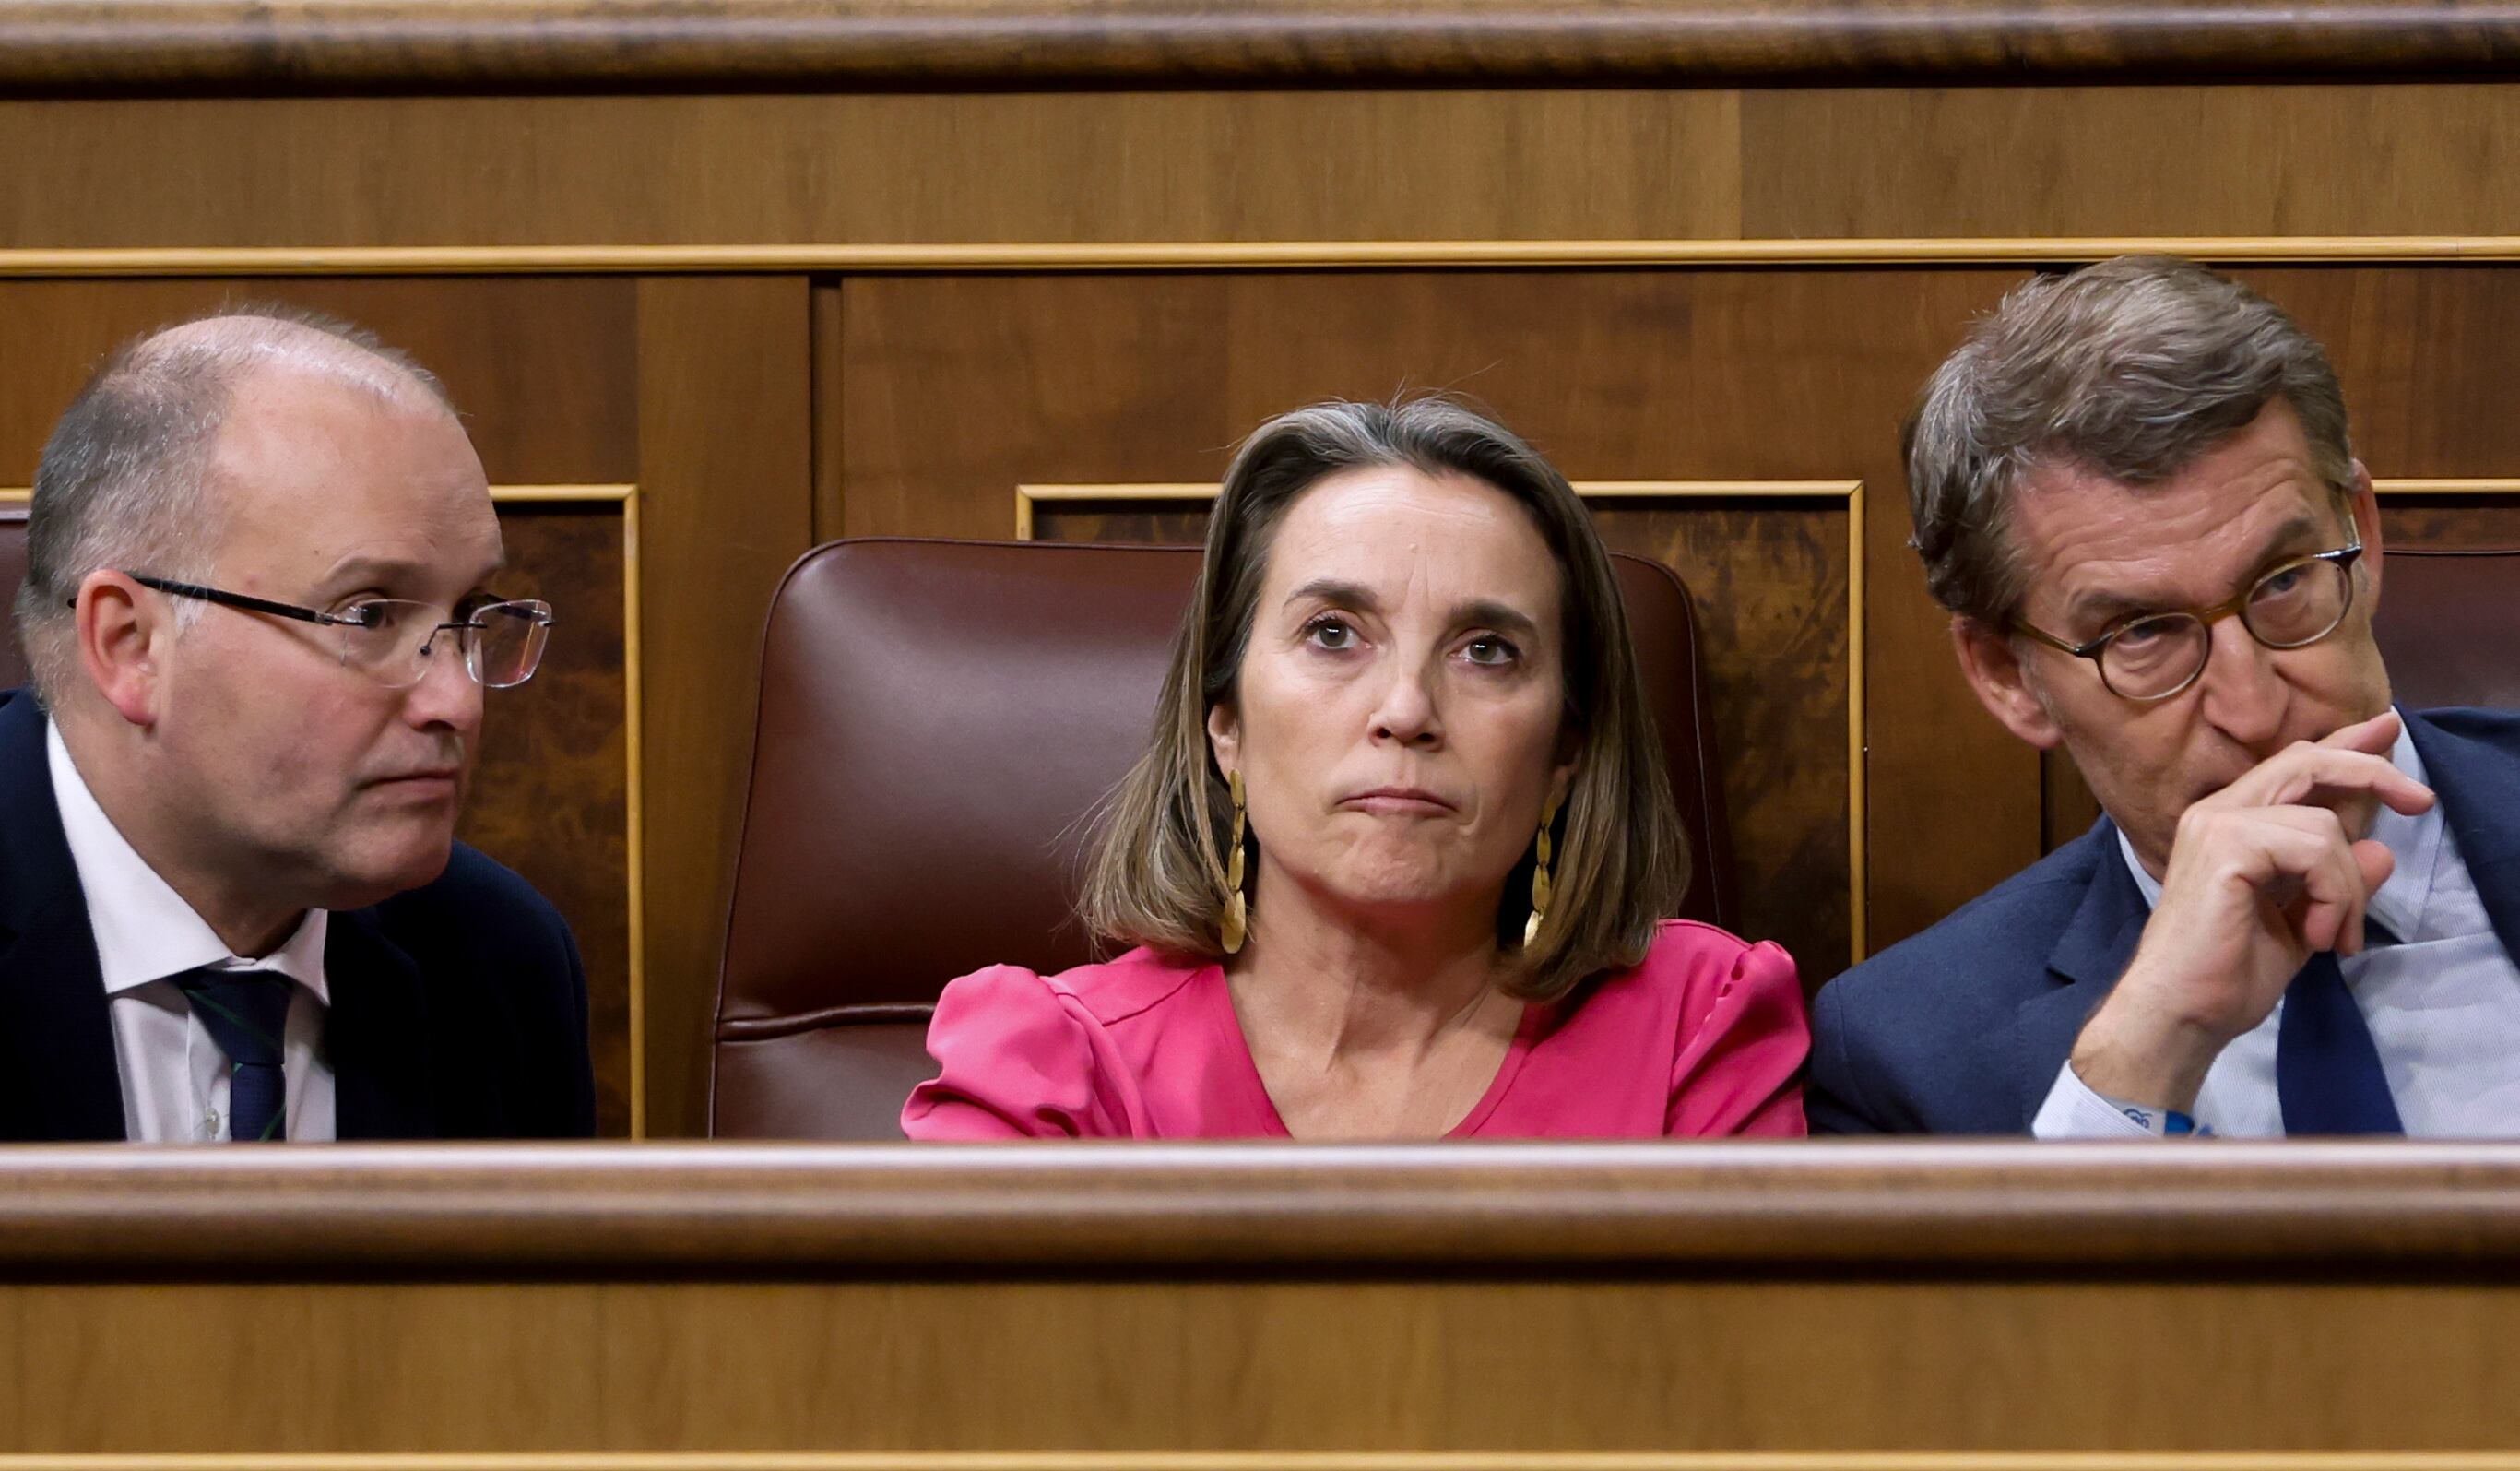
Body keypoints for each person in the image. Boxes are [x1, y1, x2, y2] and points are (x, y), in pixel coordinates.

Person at [904, 397, 1808, 1140]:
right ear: (1225, 725)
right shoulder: (1055, 1070)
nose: (1406, 710)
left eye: (1486, 650)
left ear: (1567, 751)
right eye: (1333, 634)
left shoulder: (1698, 1025)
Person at [1809, 255, 2520, 1137]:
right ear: (2006, 676)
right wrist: (2138, 1055)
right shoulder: (1907, 1055)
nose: (2255, 711)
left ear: (2361, 536)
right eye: (2141, 633)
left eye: (2282, 581)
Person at [0, 307, 597, 1142]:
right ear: (131, 643)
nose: (458, 701)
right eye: (369, 616)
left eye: (468, 611)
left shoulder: (497, 961)